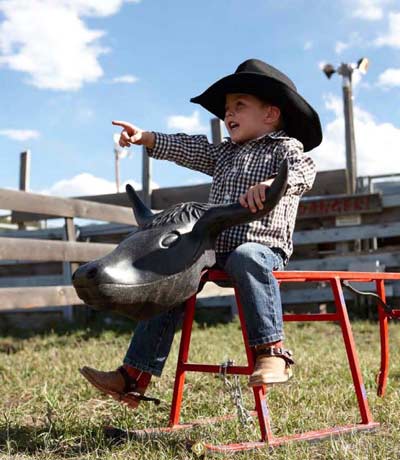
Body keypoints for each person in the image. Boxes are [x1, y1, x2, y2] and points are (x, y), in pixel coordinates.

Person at [80, 58, 322, 409]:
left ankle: (271, 352)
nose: (229, 114)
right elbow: (190, 149)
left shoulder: (285, 149)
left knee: (247, 255)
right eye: (226, 109)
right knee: (171, 278)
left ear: (270, 115)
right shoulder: (224, 152)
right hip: (213, 250)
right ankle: (133, 376)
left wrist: (273, 184)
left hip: (263, 247)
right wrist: (146, 138)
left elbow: (303, 173)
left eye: (239, 106)